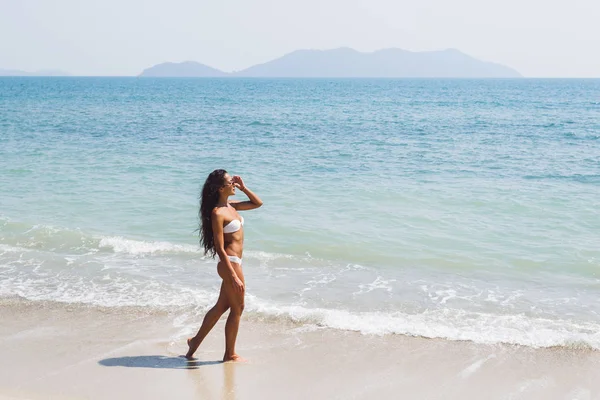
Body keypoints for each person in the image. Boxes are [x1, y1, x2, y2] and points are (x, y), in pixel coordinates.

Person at [186, 169, 263, 361]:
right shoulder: (218, 213)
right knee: (238, 308)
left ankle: (194, 342)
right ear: (221, 188)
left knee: (222, 306)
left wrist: (244, 187)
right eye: (231, 182)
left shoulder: (232, 207)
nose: (234, 184)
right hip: (230, 263)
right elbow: (220, 249)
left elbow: (257, 203)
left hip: (235, 263)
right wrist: (233, 275)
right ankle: (230, 354)